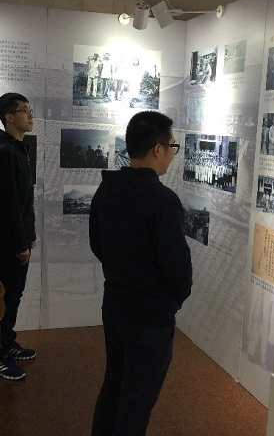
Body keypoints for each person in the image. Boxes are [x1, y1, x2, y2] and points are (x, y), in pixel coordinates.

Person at [89, 110, 193, 435]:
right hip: (150, 317)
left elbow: (97, 245)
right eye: (173, 147)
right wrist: (172, 300)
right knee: (136, 403)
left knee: (114, 387)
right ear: (157, 149)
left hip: (115, 305)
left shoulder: (106, 190)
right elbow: (178, 269)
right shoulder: (163, 201)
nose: (173, 154)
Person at [0, 92, 37, 380]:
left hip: (17, 241)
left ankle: (7, 342)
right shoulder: (5, 154)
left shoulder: (15, 150)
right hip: (9, 244)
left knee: (14, 296)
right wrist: (20, 243)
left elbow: (22, 201)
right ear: (9, 117)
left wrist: (29, 236)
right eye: (24, 110)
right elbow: (7, 206)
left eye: (30, 109)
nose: (30, 115)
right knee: (5, 298)